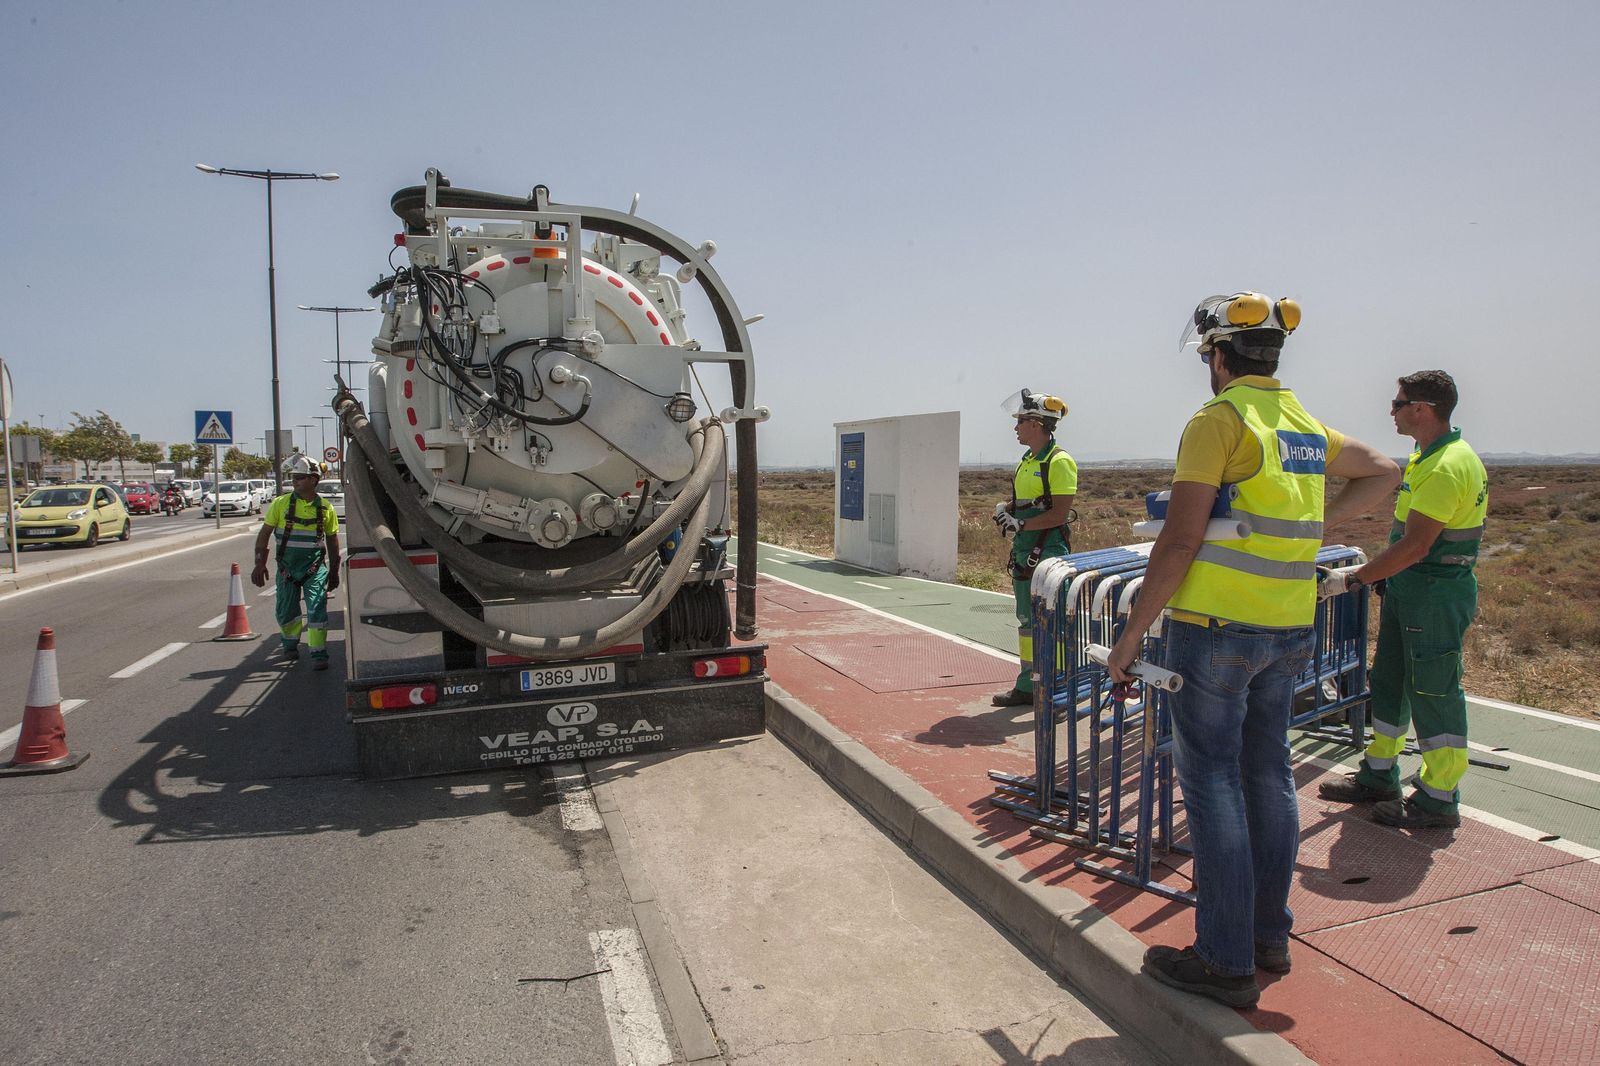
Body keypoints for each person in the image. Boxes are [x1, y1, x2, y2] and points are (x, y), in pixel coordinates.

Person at [1107, 292, 1399, 1007]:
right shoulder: (1302, 425)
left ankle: (1224, 959)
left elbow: (1180, 539)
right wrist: (1315, 525)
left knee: (1212, 786)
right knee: (1269, 778)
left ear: (1217, 356)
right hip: (1288, 627)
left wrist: (1131, 635)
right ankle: (1269, 937)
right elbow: (1384, 470)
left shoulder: (1219, 420)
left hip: (1214, 629)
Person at [1317, 370, 1487, 830]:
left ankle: (1438, 797)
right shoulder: (1425, 457)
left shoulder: (1447, 466)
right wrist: (1384, 577)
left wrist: (1354, 579)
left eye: (1398, 403)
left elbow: (1416, 545)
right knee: (1390, 681)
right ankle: (1379, 774)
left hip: (1434, 594)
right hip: (1410, 589)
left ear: (1421, 409)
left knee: (1434, 690)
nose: (1390, 411)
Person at [991, 389, 1077, 707]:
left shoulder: (1059, 462)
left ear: (1036, 424)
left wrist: (1022, 525)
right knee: (1027, 621)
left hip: (1048, 551)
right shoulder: (1027, 461)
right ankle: (1028, 685)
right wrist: (1008, 510)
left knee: (1052, 623)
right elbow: (1029, 503)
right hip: (1024, 552)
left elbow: (1059, 514)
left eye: (1020, 422)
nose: (1015, 428)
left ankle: (1058, 690)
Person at [251, 455, 341, 670]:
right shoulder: (280, 504)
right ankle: (290, 644)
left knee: (316, 609)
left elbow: (332, 540)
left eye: (299, 477)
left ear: (313, 479)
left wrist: (334, 572)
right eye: (293, 477)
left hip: (314, 569)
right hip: (287, 569)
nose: (295, 481)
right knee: (286, 610)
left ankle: (319, 653)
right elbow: (264, 533)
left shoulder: (326, 508)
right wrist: (259, 563)